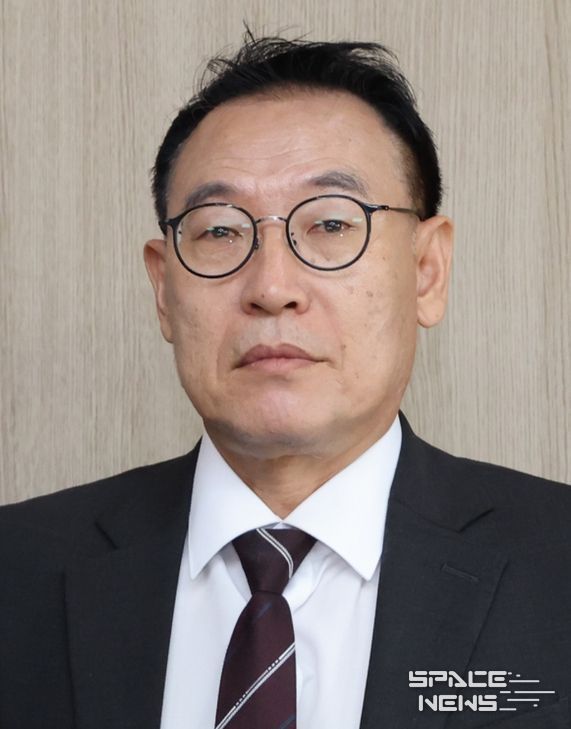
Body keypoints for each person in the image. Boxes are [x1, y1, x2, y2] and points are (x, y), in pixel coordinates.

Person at [1, 33, 570, 729]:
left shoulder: (556, 564)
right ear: (163, 289)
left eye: (330, 223)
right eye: (219, 232)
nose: (272, 287)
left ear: (427, 271)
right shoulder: (17, 571)